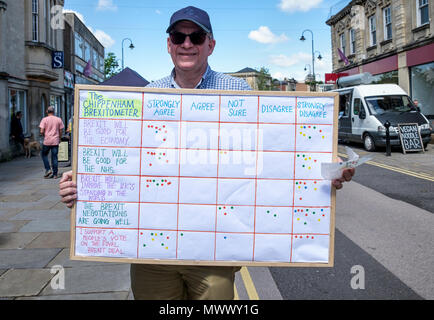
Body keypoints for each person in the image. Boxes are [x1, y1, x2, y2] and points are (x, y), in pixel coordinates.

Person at [59, 6, 355, 300]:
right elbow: (120, 158)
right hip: (153, 253)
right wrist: (84, 179)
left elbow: (275, 147)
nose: (187, 44)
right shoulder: (147, 95)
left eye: (196, 37)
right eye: (179, 37)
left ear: (210, 45)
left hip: (213, 252)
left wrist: (322, 165)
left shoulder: (237, 92)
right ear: (169, 44)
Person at [39, 106, 64, 179]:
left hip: (47, 141)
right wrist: (59, 138)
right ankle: (55, 174)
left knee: (44, 154)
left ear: (47, 111)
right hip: (55, 141)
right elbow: (61, 130)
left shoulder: (44, 119)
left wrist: (44, 135)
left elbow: (41, 131)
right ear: (53, 112)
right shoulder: (58, 119)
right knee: (54, 157)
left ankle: (48, 169)